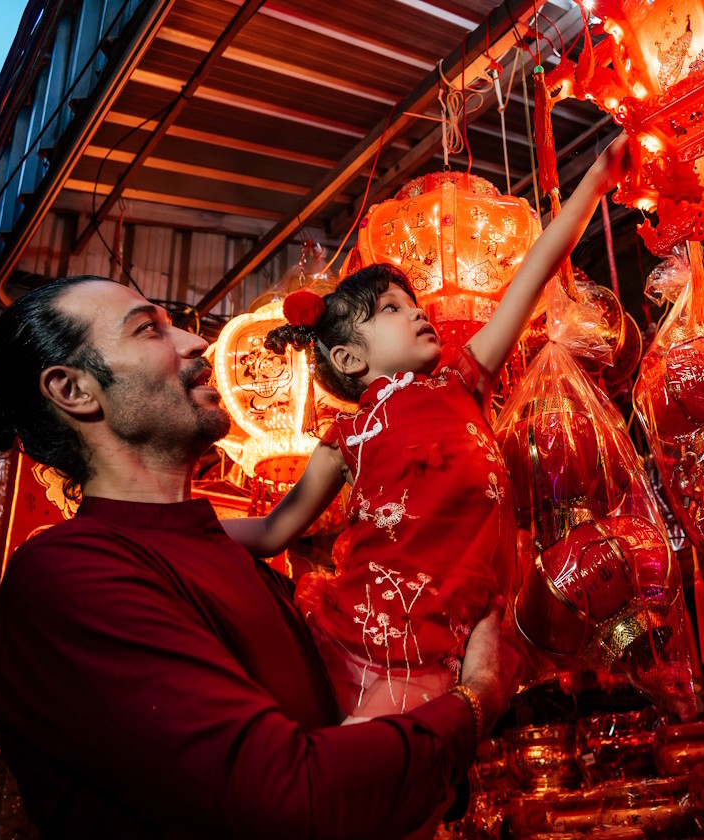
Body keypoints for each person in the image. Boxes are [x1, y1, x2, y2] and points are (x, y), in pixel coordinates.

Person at [0, 273, 523, 839]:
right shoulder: (69, 576)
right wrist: (473, 705)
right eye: (149, 330)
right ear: (73, 390)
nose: (195, 341)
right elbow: (285, 801)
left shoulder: (241, 565)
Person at [223, 136, 630, 721]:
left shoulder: (463, 384)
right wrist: (166, 524)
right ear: (348, 360)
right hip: (357, 638)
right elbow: (270, 533)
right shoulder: (346, 438)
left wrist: (595, 179)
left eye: (411, 302)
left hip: (448, 650)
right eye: (391, 309)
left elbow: (535, 268)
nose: (417, 311)